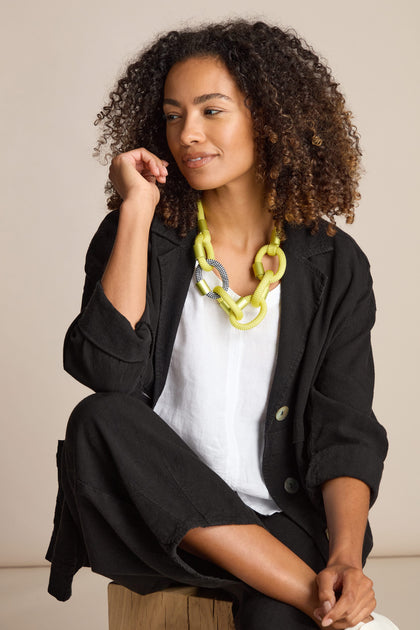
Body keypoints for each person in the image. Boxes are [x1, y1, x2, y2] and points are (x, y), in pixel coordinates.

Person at [46, 19, 398, 630]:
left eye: (212, 111)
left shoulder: (334, 263)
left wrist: (346, 558)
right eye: (174, 115)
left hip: (288, 516)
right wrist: (137, 208)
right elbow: (107, 371)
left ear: (269, 117)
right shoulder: (142, 237)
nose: (189, 134)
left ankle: (304, 585)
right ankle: (325, 601)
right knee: (99, 419)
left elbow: (346, 426)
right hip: (170, 527)